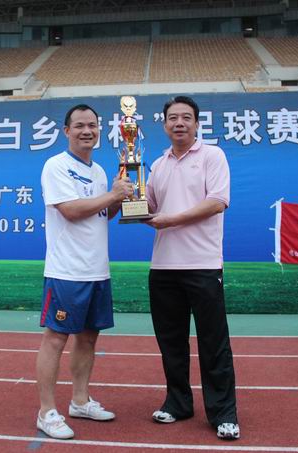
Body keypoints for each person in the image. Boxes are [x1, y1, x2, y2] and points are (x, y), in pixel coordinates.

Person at [35, 104, 134, 440]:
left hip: (97, 270)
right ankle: (46, 412)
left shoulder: (100, 172)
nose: (87, 131)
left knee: (89, 338)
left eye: (92, 125)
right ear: (67, 131)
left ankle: (80, 401)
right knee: (55, 339)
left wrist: (120, 197)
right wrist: (112, 194)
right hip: (66, 271)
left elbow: (102, 214)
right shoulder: (56, 166)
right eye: (79, 125)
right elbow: (71, 211)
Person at [144, 96, 240, 440]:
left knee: (214, 342)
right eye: (173, 118)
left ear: (197, 123)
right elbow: (149, 207)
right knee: (171, 343)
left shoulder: (212, 156)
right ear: (164, 124)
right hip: (163, 266)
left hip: (203, 265)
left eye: (186, 117)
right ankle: (178, 403)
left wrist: (170, 220)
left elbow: (217, 202)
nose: (179, 123)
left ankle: (223, 413)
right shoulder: (158, 165)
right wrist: (127, 193)